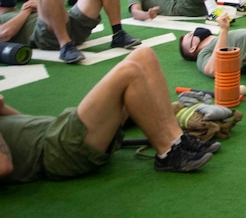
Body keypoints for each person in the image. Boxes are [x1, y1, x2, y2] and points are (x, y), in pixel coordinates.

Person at [0, 48, 217, 183]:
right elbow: (4, 166)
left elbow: (23, 123)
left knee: (144, 55)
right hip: (59, 149)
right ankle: (167, 155)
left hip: (58, 130)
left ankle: (176, 139)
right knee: (129, 72)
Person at [32, 0, 142, 64]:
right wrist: (28, 11)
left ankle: (118, 34)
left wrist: (41, 4)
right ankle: (65, 46)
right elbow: (13, 29)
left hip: (70, 21)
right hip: (50, 33)